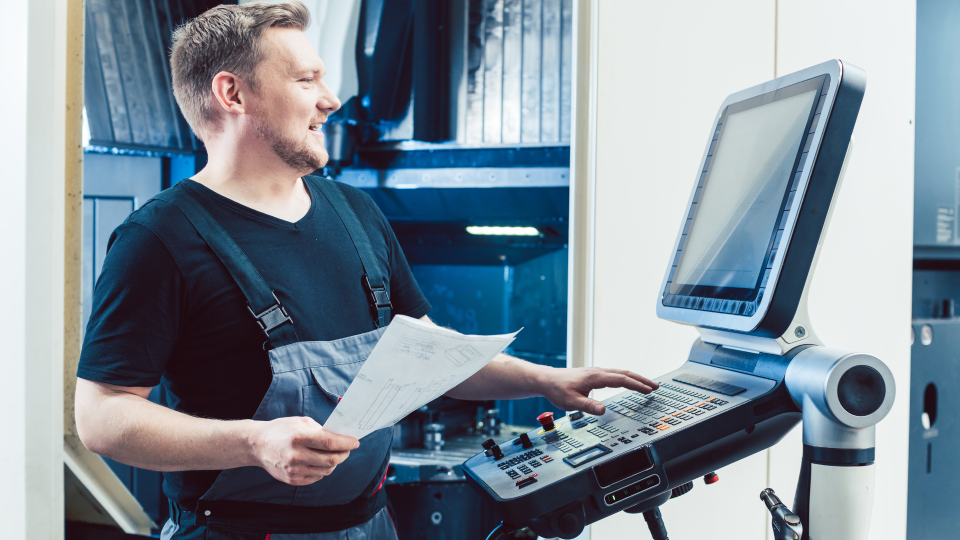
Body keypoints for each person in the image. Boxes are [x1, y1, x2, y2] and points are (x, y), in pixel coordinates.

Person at [73, 2, 658, 539]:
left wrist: (544, 379)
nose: (332, 99)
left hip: (374, 526)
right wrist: (253, 443)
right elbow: (101, 416)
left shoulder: (354, 212)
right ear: (233, 93)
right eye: (307, 80)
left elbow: (428, 356)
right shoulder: (160, 238)